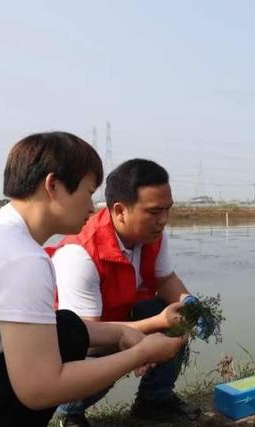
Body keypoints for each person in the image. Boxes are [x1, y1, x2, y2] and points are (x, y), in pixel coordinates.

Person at [0, 132, 185, 427]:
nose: (92, 208)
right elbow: (39, 390)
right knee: (64, 341)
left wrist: (119, 334)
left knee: (67, 328)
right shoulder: (21, 258)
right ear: (53, 186)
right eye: (88, 192)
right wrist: (140, 354)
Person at [48, 159, 204, 426]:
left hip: (116, 321)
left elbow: (165, 279)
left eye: (168, 210)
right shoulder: (80, 254)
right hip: (75, 341)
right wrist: (156, 326)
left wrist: (189, 304)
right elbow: (86, 336)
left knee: (173, 314)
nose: (164, 221)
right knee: (156, 322)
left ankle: (154, 401)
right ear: (120, 210)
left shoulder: (153, 235)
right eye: (154, 212)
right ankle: (68, 411)